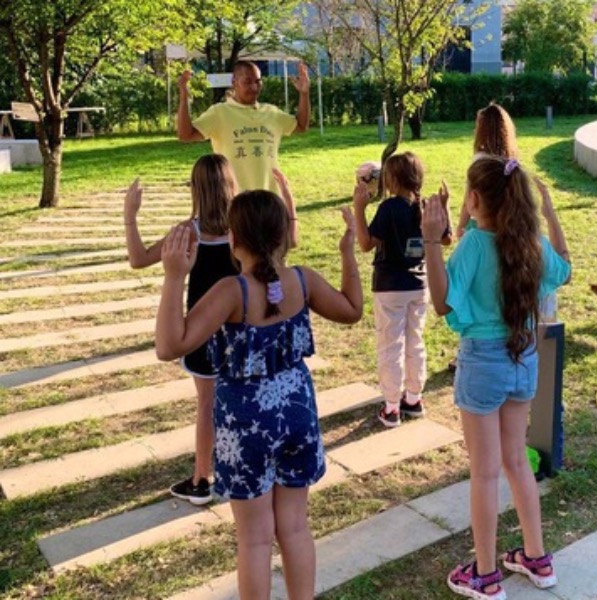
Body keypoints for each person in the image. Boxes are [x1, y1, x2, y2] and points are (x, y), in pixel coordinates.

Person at [155, 191, 363, 600]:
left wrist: (174, 276)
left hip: (244, 427)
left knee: (254, 540)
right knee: (296, 526)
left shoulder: (232, 292)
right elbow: (353, 309)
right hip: (297, 414)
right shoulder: (303, 281)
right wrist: (347, 253)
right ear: (286, 235)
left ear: (234, 241)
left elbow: (169, 345)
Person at [421, 156, 571, 600]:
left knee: (485, 474)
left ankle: (485, 576)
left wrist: (431, 241)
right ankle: (537, 558)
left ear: (474, 198)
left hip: (483, 364)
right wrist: (549, 211)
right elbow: (564, 265)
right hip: (524, 358)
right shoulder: (531, 243)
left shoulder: (473, 245)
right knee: (517, 461)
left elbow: (444, 302)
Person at [124, 154, 239, 505]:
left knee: (207, 403)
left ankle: (201, 478)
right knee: (240, 398)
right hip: (241, 330)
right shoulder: (243, 228)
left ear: (196, 189)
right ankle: (241, 467)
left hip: (201, 334)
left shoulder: (188, 232)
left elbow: (139, 258)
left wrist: (130, 217)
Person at [352, 152, 451, 428]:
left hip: (389, 288)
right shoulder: (428, 205)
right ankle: (414, 398)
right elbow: (447, 239)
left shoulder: (389, 208)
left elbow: (365, 243)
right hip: (419, 287)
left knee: (390, 345)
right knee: (415, 341)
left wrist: (359, 209)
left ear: (392, 179)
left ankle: (392, 407)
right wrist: (445, 206)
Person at [177, 60, 310, 195]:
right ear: (234, 82)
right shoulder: (219, 113)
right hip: (234, 199)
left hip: (271, 199)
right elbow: (186, 135)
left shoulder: (271, 112)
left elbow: (300, 126)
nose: (254, 87)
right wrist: (183, 99)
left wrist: (304, 94)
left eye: (258, 81)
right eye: (247, 82)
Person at [455, 102, 519, 238]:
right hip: (507, 224)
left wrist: (461, 225)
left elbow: (470, 195)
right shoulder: (511, 161)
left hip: (481, 224)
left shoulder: (480, 160)